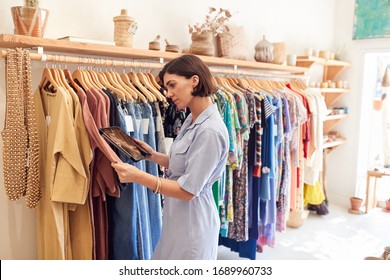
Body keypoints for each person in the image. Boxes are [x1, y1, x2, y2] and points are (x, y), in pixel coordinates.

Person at [111, 54, 229, 259]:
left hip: (194, 223)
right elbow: (183, 163)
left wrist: (137, 176)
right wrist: (151, 155)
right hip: (178, 218)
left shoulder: (210, 131)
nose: (168, 93)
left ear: (194, 80)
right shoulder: (192, 118)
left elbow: (188, 190)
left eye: (172, 85)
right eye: (167, 88)